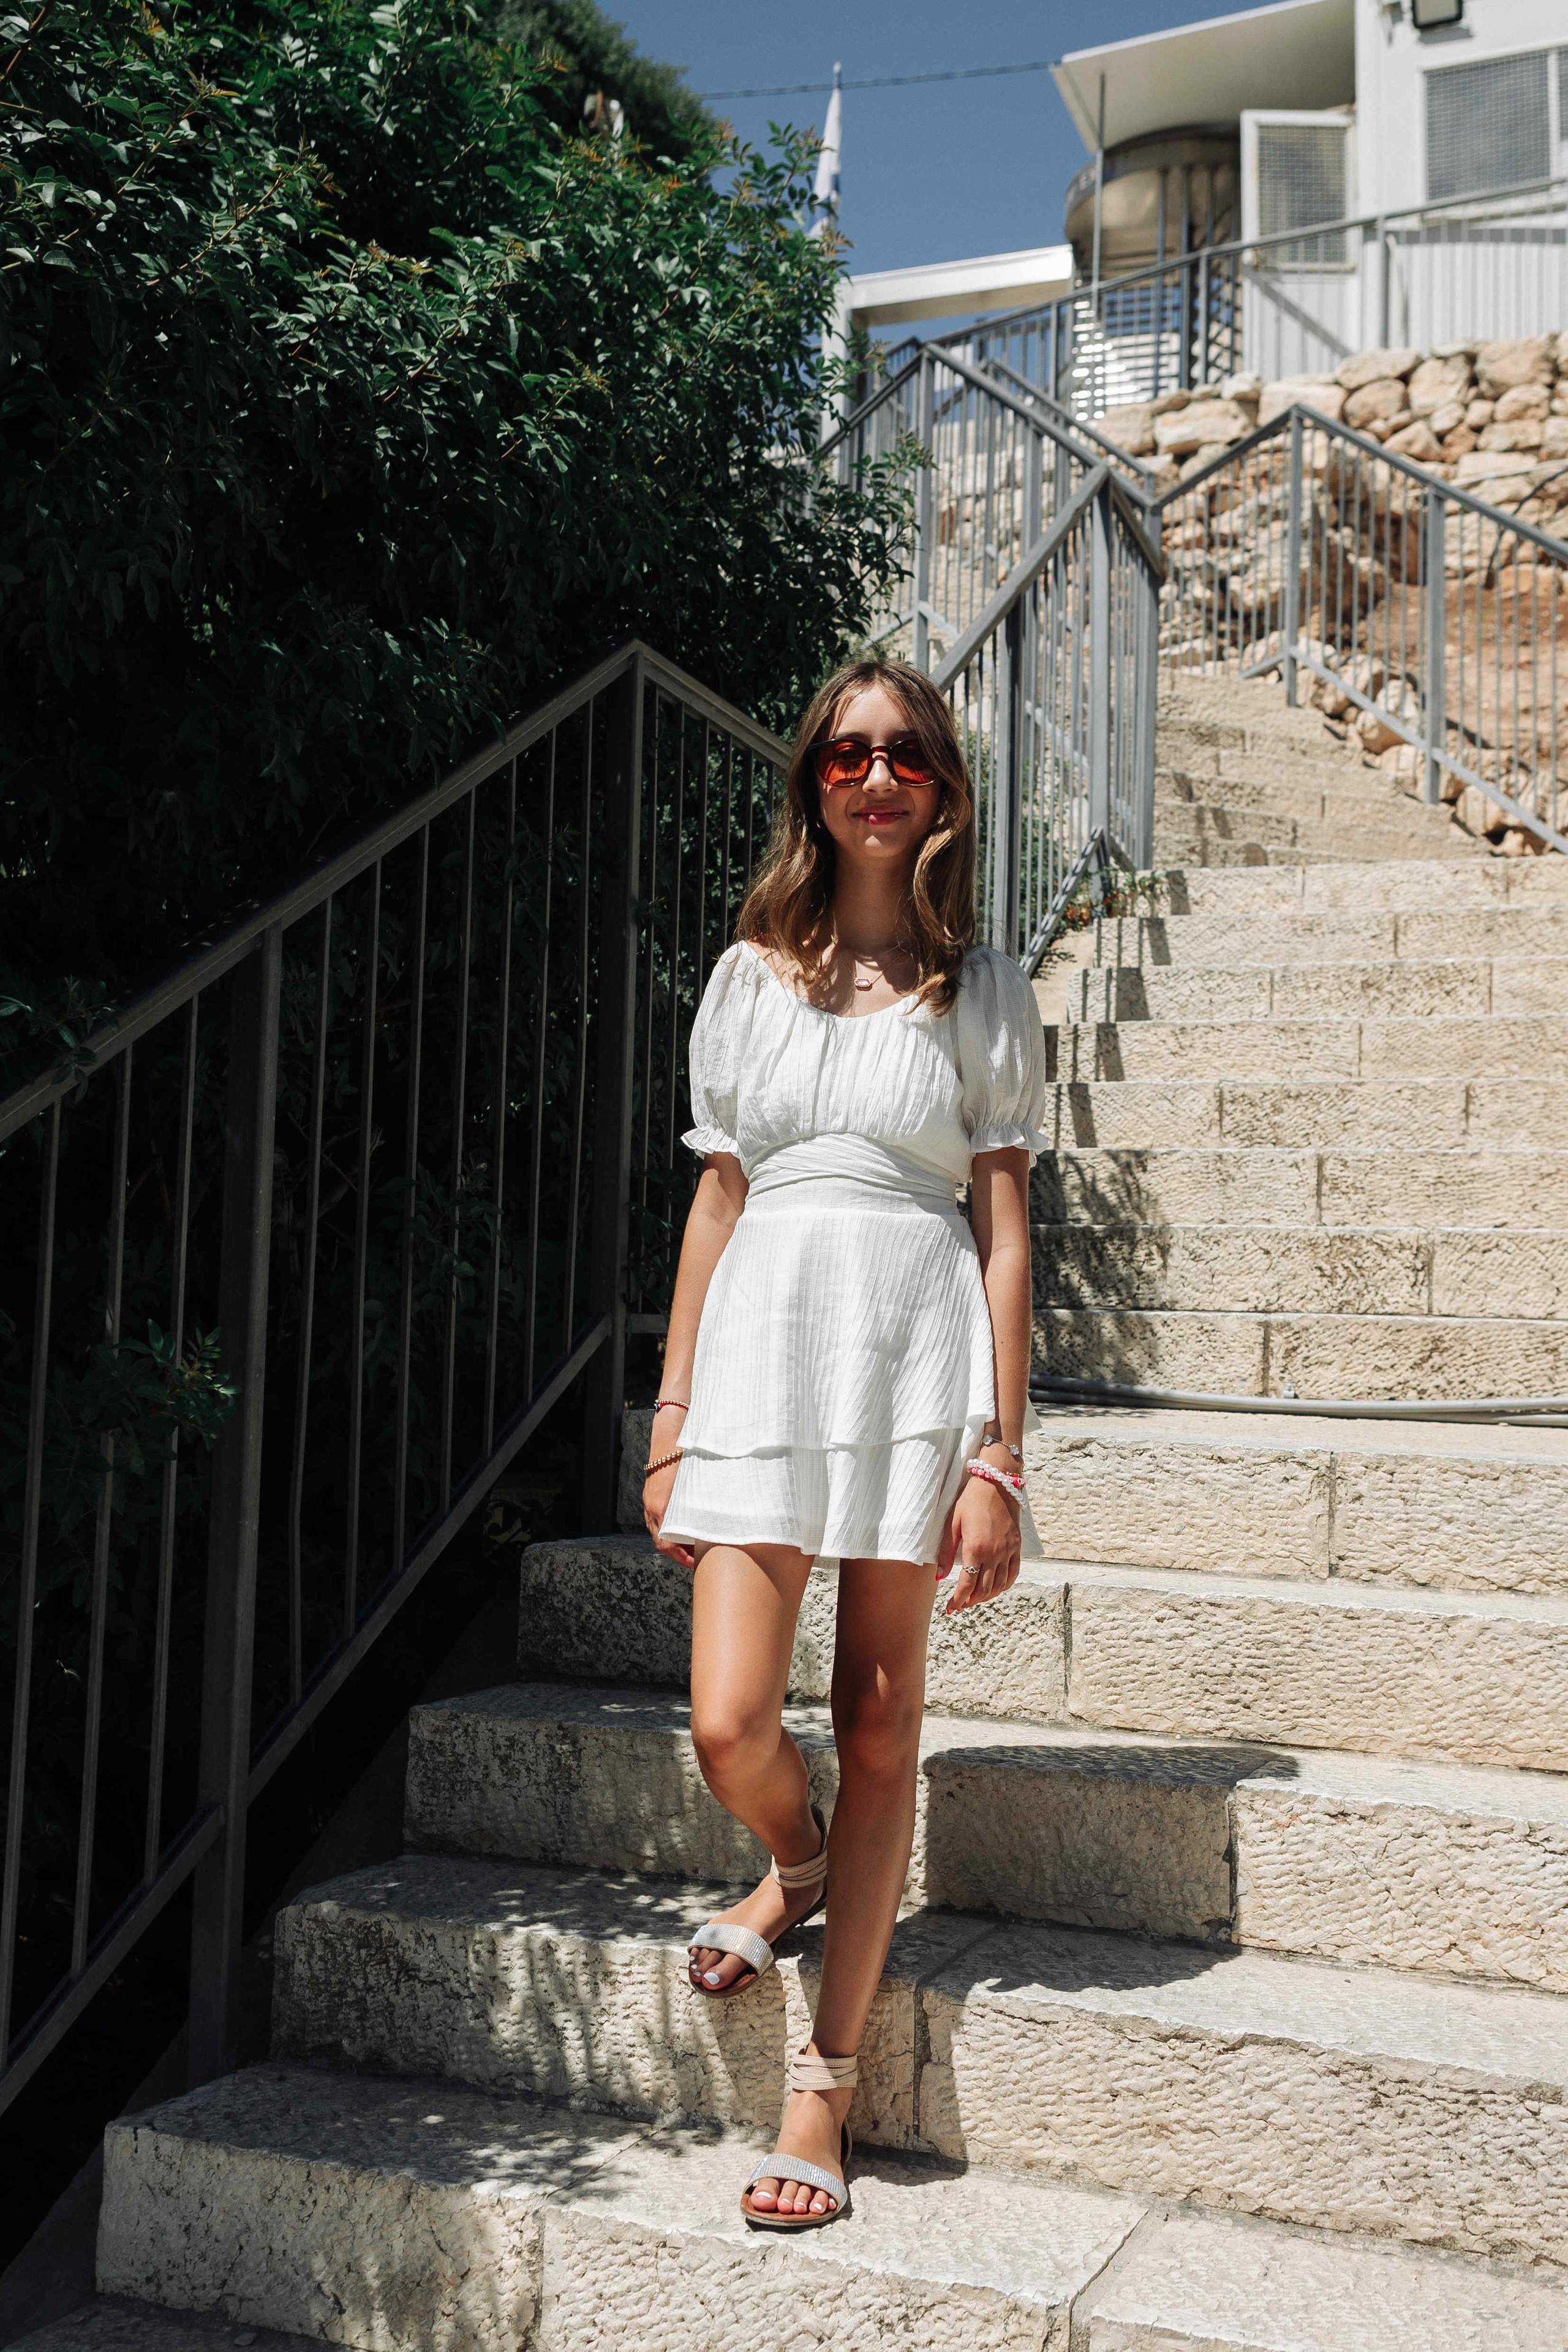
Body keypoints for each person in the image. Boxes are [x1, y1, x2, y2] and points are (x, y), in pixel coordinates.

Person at [641, 657, 1048, 2231]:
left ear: (941, 786)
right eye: (845, 755)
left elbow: (1001, 1233)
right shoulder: (748, 975)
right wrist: (672, 1412)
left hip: (912, 1351)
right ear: (812, 782)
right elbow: (718, 1201)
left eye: (904, 755)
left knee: (880, 1728)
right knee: (728, 1722)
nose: (875, 778)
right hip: (760, 1350)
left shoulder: (981, 989)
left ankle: (823, 2087)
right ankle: (794, 1865)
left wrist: (998, 1455)